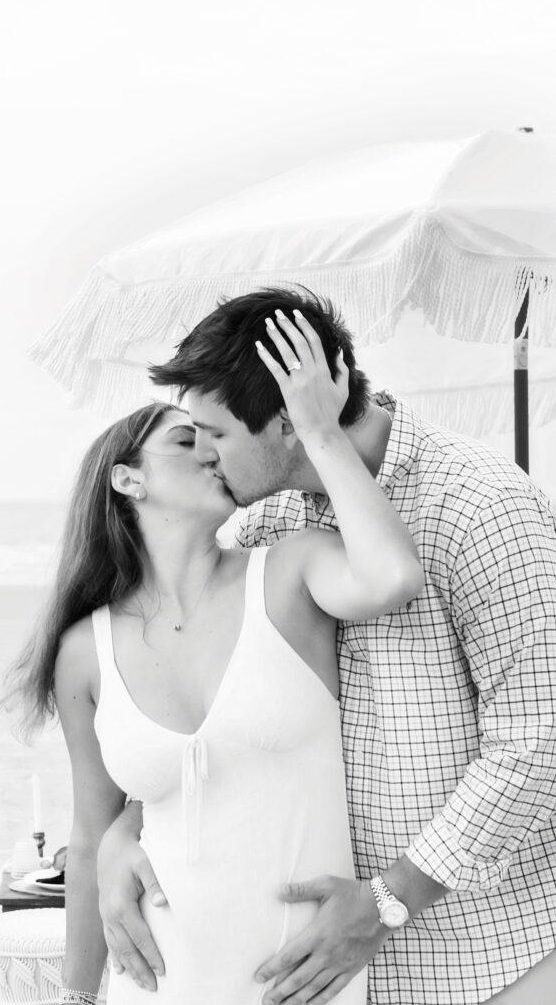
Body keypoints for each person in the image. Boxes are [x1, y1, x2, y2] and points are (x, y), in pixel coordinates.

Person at [99, 287, 556, 1005]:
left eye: (213, 434)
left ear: (288, 422)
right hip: (329, 971)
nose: (205, 457)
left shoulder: (482, 505)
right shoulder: (267, 520)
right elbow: (214, 708)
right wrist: (124, 827)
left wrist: (389, 898)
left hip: (487, 961)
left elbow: (536, 743)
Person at [4, 315, 423, 1005]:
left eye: (214, 439)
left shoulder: (288, 573)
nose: (210, 453)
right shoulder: (86, 651)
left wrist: (317, 430)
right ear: (127, 481)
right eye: (183, 440)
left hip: (301, 983)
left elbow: (391, 579)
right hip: (157, 982)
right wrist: (77, 998)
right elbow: (88, 840)